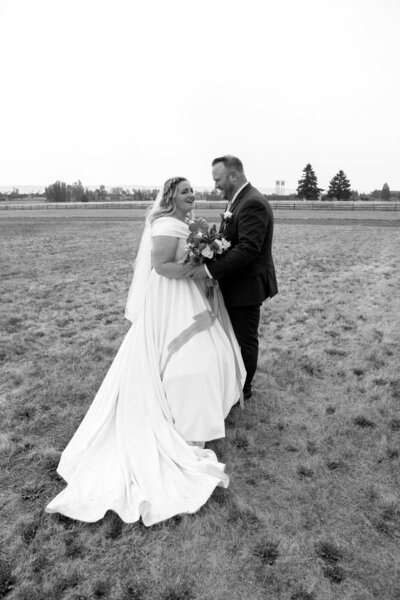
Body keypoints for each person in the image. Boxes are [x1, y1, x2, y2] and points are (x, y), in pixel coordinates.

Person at [45, 177, 245, 526]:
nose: (192, 195)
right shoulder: (167, 223)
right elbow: (161, 267)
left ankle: (202, 412)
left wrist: (204, 259)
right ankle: (183, 421)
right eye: (185, 191)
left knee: (210, 352)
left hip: (190, 294)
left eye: (192, 191)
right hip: (170, 299)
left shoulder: (186, 223)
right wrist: (198, 268)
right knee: (188, 360)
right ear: (171, 196)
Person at [186, 156, 278, 401]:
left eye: (218, 179)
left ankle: (243, 390)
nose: (216, 185)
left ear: (234, 176)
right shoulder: (236, 202)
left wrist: (208, 271)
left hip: (246, 285)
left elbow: (247, 249)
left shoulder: (253, 203)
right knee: (232, 336)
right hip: (234, 282)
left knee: (244, 338)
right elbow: (229, 241)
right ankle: (233, 383)